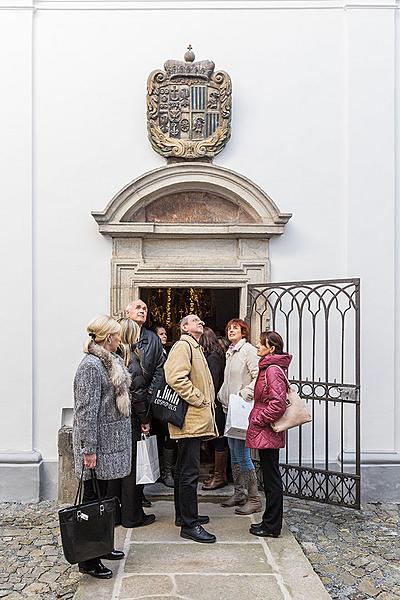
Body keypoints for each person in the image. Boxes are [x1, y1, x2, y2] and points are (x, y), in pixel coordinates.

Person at [72, 315, 131, 580]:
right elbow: (86, 412)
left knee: (105, 500)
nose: (120, 339)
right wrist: (89, 450)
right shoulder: (91, 366)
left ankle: (103, 546)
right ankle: (88, 559)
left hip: (110, 443)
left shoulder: (110, 362)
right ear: (108, 338)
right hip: (98, 445)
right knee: (91, 503)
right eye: (117, 335)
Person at [164, 314, 218, 543]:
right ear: (184, 327)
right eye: (194, 320)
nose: (200, 323)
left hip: (194, 419)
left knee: (184, 471)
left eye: (200, 321)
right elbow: (175, 378)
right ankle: (189, 524)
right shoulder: (183, 345)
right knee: (189, 473)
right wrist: (199, 399)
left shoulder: (194, 346)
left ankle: (184, 515)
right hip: (190, 419)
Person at [246, 331, 292, 538]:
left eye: (261, 343)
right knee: (270, 477)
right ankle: (269, 522)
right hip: (266, 430)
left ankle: (272, 526)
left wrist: (258, 419)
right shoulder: (268, 367)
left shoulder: (272, 370)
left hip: (268, 430)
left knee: (272, 479)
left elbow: (278, 405)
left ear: (271, 348)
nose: (257, 346)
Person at [218, 318, 262, 515]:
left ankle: (254, 498)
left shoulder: (248, 350)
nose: (231, 331)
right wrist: (221, 394)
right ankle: (240, 493)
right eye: (228, 328)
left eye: (235, 328)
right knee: (233, 452)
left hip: (242, 408)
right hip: (230, 409)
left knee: (242, 454)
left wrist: (246, 393)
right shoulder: (231, 352)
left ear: (244, 332)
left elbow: (259, 376)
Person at [116, 318, 156, 527]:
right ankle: (132, 516)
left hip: (116, 421)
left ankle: (116, 514)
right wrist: (145, 420)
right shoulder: (131, 357)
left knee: (117, 469)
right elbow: (138, 392)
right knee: (131, 470)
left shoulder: (114, 356)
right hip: (130, 419)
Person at [126, 299, 165, 506]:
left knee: (142, 450)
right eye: (138, 308)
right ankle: (127, 498)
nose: (142, 311)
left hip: (146, 401)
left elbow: (160, 368)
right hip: (125, 404)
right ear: (127, 312)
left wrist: (149, 395)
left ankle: (138, 494)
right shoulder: (121, 335)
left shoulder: (151, 338)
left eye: (145, 309)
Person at [199, 327, 228, 490]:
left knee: (219, 438)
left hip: (214, 404)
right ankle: (217, 473)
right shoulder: (214, 354)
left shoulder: (213, 357)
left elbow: (212, 382)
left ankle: (219, 477)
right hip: (213, 403)